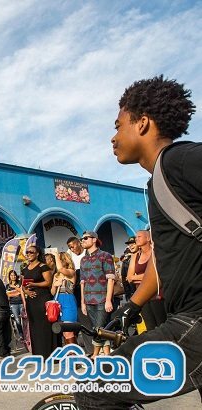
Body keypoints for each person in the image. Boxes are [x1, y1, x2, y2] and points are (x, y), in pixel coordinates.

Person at [76, 76, 199, 408]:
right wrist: (133, 305)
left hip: (196, 322)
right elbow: (163, 259)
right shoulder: (158, 183)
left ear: (143, 123)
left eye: (118, 126)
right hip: (187, 319)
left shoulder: (179, 161)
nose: (113, 137)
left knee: (95, 387)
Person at [79, 231, 116, 358]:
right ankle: (106, 354)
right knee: (99, 328)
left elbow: (111, 279)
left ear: (94, 239)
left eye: (85, 238)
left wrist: (108, 300)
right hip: (88, 299)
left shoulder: (105, 256)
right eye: (81, 239)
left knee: (99, 328)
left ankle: (95, 355)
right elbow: (82, 282)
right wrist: (82, 302)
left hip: (102, 298)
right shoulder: (83, 260)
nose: (82, 240)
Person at [22, 246, 59, 359]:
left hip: (42, 299)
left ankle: (50, 354)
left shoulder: (43, 267)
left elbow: (48, 282)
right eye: (27, 252)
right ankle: (38, 353)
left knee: (45, 326)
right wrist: (26, 291)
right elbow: (22, 285)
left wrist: (34, 285)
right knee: (34, 326)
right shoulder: (25, 268)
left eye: (31, 252)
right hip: (31, 301)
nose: (28, 254)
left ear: (37, 253)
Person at [126, 229, 167, 331]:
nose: (136, 239)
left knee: (162, 324)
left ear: (148, 238)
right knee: (150, 326)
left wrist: (139, 277)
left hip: (157, 295)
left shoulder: (155, 253)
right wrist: (148, 277)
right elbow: (129, 277)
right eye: (136, 237)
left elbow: (158, 272)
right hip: (142, 297)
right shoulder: (135, 256)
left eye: (139, 236)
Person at [52, 252, 78, 344]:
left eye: (61, 259)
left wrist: (55, 255)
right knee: (63, 332)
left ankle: (74, 355)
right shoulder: (56, 275)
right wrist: (55, 285)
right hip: (58, 302)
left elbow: (61, 268)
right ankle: (70, 353)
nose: (58, 262)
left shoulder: (71, 272)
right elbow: (52, 292)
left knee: (69, 331)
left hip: (68, 302)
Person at [5, 270, 24, 336]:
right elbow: (9, 295)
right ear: (9, 276)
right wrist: (17, 292)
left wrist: (15, 288)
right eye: (11, 275)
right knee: (17, 320)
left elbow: (22, 291)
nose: (13, 276)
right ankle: (21, 335)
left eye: (14, 275)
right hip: (13, 304)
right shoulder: (7, 286)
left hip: (21, 303)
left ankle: (26, 334)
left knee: (24, 319)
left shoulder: (19, 283)